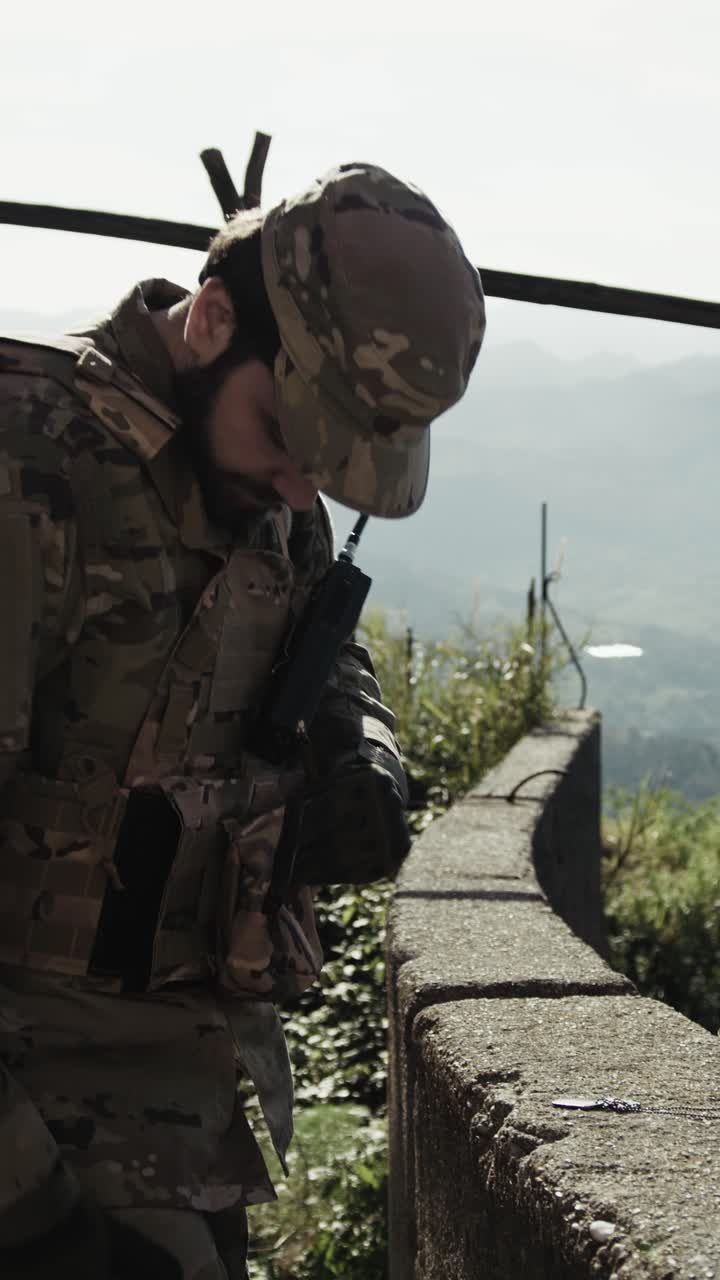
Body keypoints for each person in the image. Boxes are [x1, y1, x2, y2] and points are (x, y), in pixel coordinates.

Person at [0, 162, 485, 1279]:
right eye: (289, 433)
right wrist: (33, 1216)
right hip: (43, 1120)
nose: (298, 481)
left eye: (330, 458)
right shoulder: (38, 468)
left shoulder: (265, 475)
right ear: (212, 320)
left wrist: (360, 748)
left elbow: (320, 636)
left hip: (187, 1108)